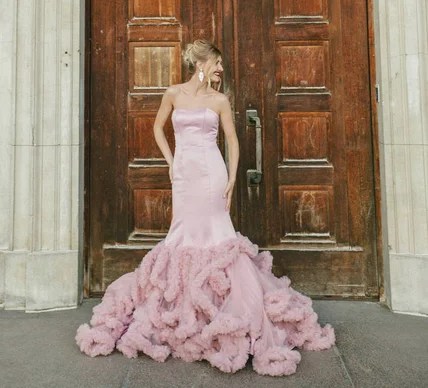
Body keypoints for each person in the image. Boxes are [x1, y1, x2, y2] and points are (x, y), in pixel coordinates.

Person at [75, 39, 335, 376]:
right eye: (217, 63)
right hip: (184, 173)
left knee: (216, 236)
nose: (221, 70)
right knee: (183, 236)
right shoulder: (173, 94)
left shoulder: (220, 100)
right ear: (202, 63)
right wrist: (171, 161)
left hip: (212, 172)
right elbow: (157, 127)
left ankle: (228, 307)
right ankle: (184, 310)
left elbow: (233, 141)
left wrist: (230, 180)